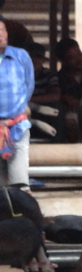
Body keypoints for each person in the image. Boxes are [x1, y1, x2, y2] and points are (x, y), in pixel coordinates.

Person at [0, 19, 33, 191]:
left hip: (17, 124)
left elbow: (29, 85)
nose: (1, 35)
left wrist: (18, 107)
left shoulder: (21, 56)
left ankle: (21, 202)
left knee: (20, 184)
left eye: (3, 30)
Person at [25, 42, 62, 141]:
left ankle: (57, 143)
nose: (34, 60)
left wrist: (31, 101)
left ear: (43, 60)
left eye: (39, 57)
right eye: (31, 56)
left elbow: (55, 96)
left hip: (43, 108)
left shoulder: (48, 75)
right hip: (20, 108)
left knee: (58, 109)